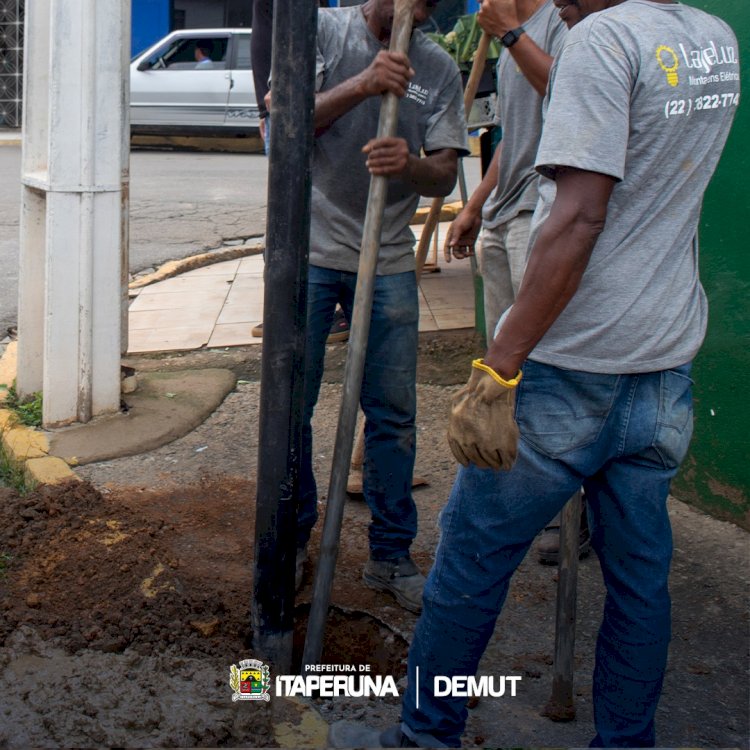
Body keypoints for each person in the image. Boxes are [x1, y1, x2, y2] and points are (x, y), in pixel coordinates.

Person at [329, 0, 739, 745]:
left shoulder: (601, 42)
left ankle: (422, 736)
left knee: (469, 567)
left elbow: (580, 216)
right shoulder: (712, 39)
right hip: (663, 366)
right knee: (640, 584)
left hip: (572, 368)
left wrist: (502, 362)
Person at [296, 0, 468, 611]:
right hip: (311, 251)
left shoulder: (438, 67)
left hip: (388, 257)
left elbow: (444, 174)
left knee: (392, 416)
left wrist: (412, 165)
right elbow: (282, 127)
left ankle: (391, 557)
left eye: (428, 5)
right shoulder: (318, 31)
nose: (417, 11)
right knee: (294, 403)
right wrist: (365, 83)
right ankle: (291, 543)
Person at [444, 0, 586, 564]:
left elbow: (571, 92)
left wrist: (510, 35)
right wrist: (474, 205)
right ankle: (519, 492)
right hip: (505, 213)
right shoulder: (506, 37)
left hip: (544, 212)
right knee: (504, 367)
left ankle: (568, 511)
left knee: (545, 363)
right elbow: (512, 136)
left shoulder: (560, 21)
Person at [250, 0, 351, 342]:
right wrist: (266, 109)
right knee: (289, 216)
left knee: (314, 211)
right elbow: (266, 38)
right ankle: (283, 309)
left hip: (316, 108)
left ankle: (316, 310)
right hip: (285, 104)